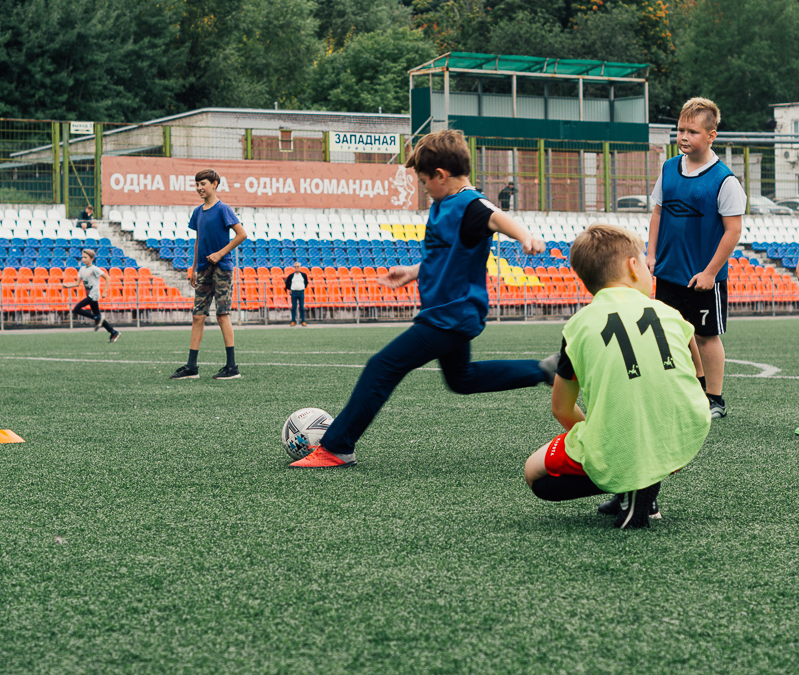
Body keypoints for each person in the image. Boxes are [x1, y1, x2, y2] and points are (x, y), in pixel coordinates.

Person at [290, 129, 557, 469]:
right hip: (448, 314)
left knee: (381, 367)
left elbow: (493, 215)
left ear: (442, 176)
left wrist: (525, 236)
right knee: (463, 380)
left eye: (424, 181)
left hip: (449, 316)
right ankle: (546, 370)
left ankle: (337, 447)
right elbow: (448, 255)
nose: (424, 188)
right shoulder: (446, 204)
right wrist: (414, 272)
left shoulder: (467, 204)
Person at [524, 224, 711, 529]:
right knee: (651, 416)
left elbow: (560, 408)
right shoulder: (670, 313)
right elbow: (696, 374)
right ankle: (639, 484)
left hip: (633, 436)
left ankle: (627, 475)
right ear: (632, 266)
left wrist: (604, 444)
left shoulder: (579, 325)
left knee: (534, 474)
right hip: (684, 431)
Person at [646, 97, 746, 421]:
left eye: (692, 131)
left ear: (711, 135)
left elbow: (732, 232)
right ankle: (693, 388)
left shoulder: (724, 180)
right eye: (680, 130)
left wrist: (709, 272)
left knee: (705, 335)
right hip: (668, 272)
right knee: (676, 333)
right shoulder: (668, 168)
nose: (684, 136)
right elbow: (658, 213)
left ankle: (715, 399)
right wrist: (650, 254)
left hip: (703, 278)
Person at [170, 169, 247, 381]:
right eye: (196, 184)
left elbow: (242, 234)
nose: (199, 188)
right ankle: (192, 367)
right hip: (203, 269)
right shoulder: (197, 212)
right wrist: (194, 267)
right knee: (197, 316)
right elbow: (198, 240)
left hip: (222, 268)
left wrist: (221, 253)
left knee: (222, 315)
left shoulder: (223, 209)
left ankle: (232, 367)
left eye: (202, 183)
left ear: (214, 184)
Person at [64, 249, 120, 343]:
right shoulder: (82, 269)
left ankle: (97, 318)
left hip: (93, 294)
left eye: (86, 257)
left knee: (76, 309)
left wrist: (105, 291)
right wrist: (67, 286)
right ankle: (113, 332)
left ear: (92, 258)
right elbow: (77, 283)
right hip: (89, 294)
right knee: (98, 317)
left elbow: (107, 278)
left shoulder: (94, 269)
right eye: (82, 257)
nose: (83, 259)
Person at [285, 261, 309, 326]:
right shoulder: (291, 275)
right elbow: (287, 283)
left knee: (302, 307)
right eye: (295, 267)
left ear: (300, 267)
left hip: (301, 292)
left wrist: (303, 287)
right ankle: (293, 321)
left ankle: (303, 321)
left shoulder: (303, 275)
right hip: (294, 292)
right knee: (294, 307)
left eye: (297, 266)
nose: (296, 268)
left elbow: (306, 282)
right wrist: (289, 289)